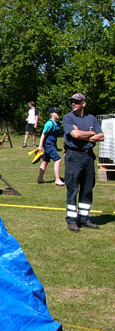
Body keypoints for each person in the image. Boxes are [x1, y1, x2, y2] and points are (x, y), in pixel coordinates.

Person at [62, 93, 104, 232]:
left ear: (83, 103)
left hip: (88, 157)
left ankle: (84, 218)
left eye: (76, 102)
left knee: (87, 188)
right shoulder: (68, 118)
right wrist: (91, 134)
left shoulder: (91, 118)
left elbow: (101, 136)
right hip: (74, 156)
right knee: (73, 188)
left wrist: (83, 134)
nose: (73, 104)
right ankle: (72, 220)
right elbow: (75, 135)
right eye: (72, 102)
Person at [37, 108, 65, 185]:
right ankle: (57, 179)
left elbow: (54, 137)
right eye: (57, 113)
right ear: (51, 114)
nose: (58, 114)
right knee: (58, 160)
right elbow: (43, 134)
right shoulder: (49, 123)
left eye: (59, 113)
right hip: (48, 145)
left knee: (45, 161)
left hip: (51, 145)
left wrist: (56, 147)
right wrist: (40, 146)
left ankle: (40, 178)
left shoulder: (55, 123)